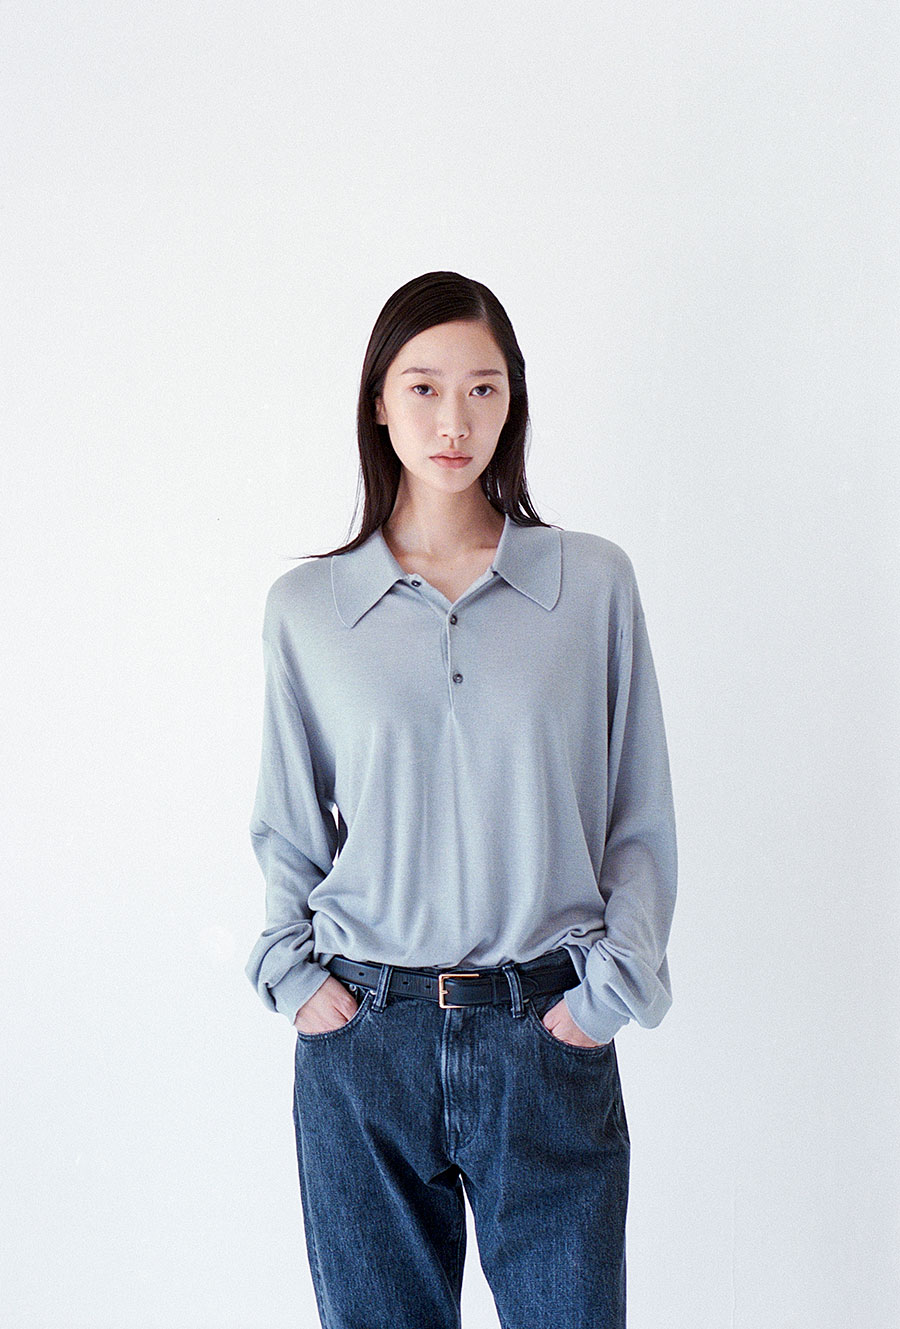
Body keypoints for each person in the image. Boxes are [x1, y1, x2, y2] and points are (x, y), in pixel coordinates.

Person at [244, 270, 677, 1329]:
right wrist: (294, 978)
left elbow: (637, 813)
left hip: (547, 1030)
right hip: (365, 1042)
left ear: (512, 402)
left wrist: (607, 995)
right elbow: (290, 827)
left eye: (483, 389)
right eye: (425, 387)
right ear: (377, 401)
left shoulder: (590, 584)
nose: (454, 421)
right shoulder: (309, 609)